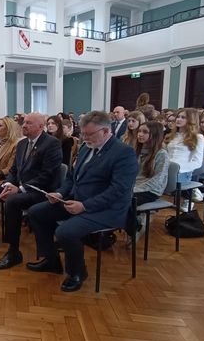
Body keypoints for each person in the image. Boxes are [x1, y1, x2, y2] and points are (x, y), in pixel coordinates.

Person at [26, 111, 138, 292]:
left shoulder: (124, 153)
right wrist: (61, 194)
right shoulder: (87, 147)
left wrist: (85, 206)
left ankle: (77, 273)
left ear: (105, 131)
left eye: (89, 134)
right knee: (36, 212)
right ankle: (51, 260)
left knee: (65, 232)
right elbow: (71, 177)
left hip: (107, 210)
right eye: (83, 133)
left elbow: (118, 191)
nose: (84, 138)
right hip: (79, 202)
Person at [0, 113, 63, 270]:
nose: (24, 125)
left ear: (41, 126)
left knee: (13, 201)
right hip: (20, 186)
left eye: (29, 123)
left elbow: (47, 175)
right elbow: (14, 170)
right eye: (24, 122)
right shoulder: (22, 144)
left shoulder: (51, 143)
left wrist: (20, 188)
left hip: (40, 190)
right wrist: (7, 183)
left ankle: (13, 251)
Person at [165, 108, 204, 211]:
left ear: (191, 120)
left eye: (183, 117)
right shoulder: (172, 135)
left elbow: (197, 162)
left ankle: (189, 194)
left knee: (165, 181)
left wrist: (178, 169)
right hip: (167, 168)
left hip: (183, 170)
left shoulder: (198, 137)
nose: (178, 119)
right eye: (178, 117)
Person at [133, 121, 169, 206]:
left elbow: (157, 180)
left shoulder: (162, 154)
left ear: (155, 135)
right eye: (139, 131)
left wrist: (134, 189)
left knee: (122, 201)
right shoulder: (136, 150)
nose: (140, 134)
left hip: (151, 190)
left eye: (145, 132)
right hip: (135, 186)